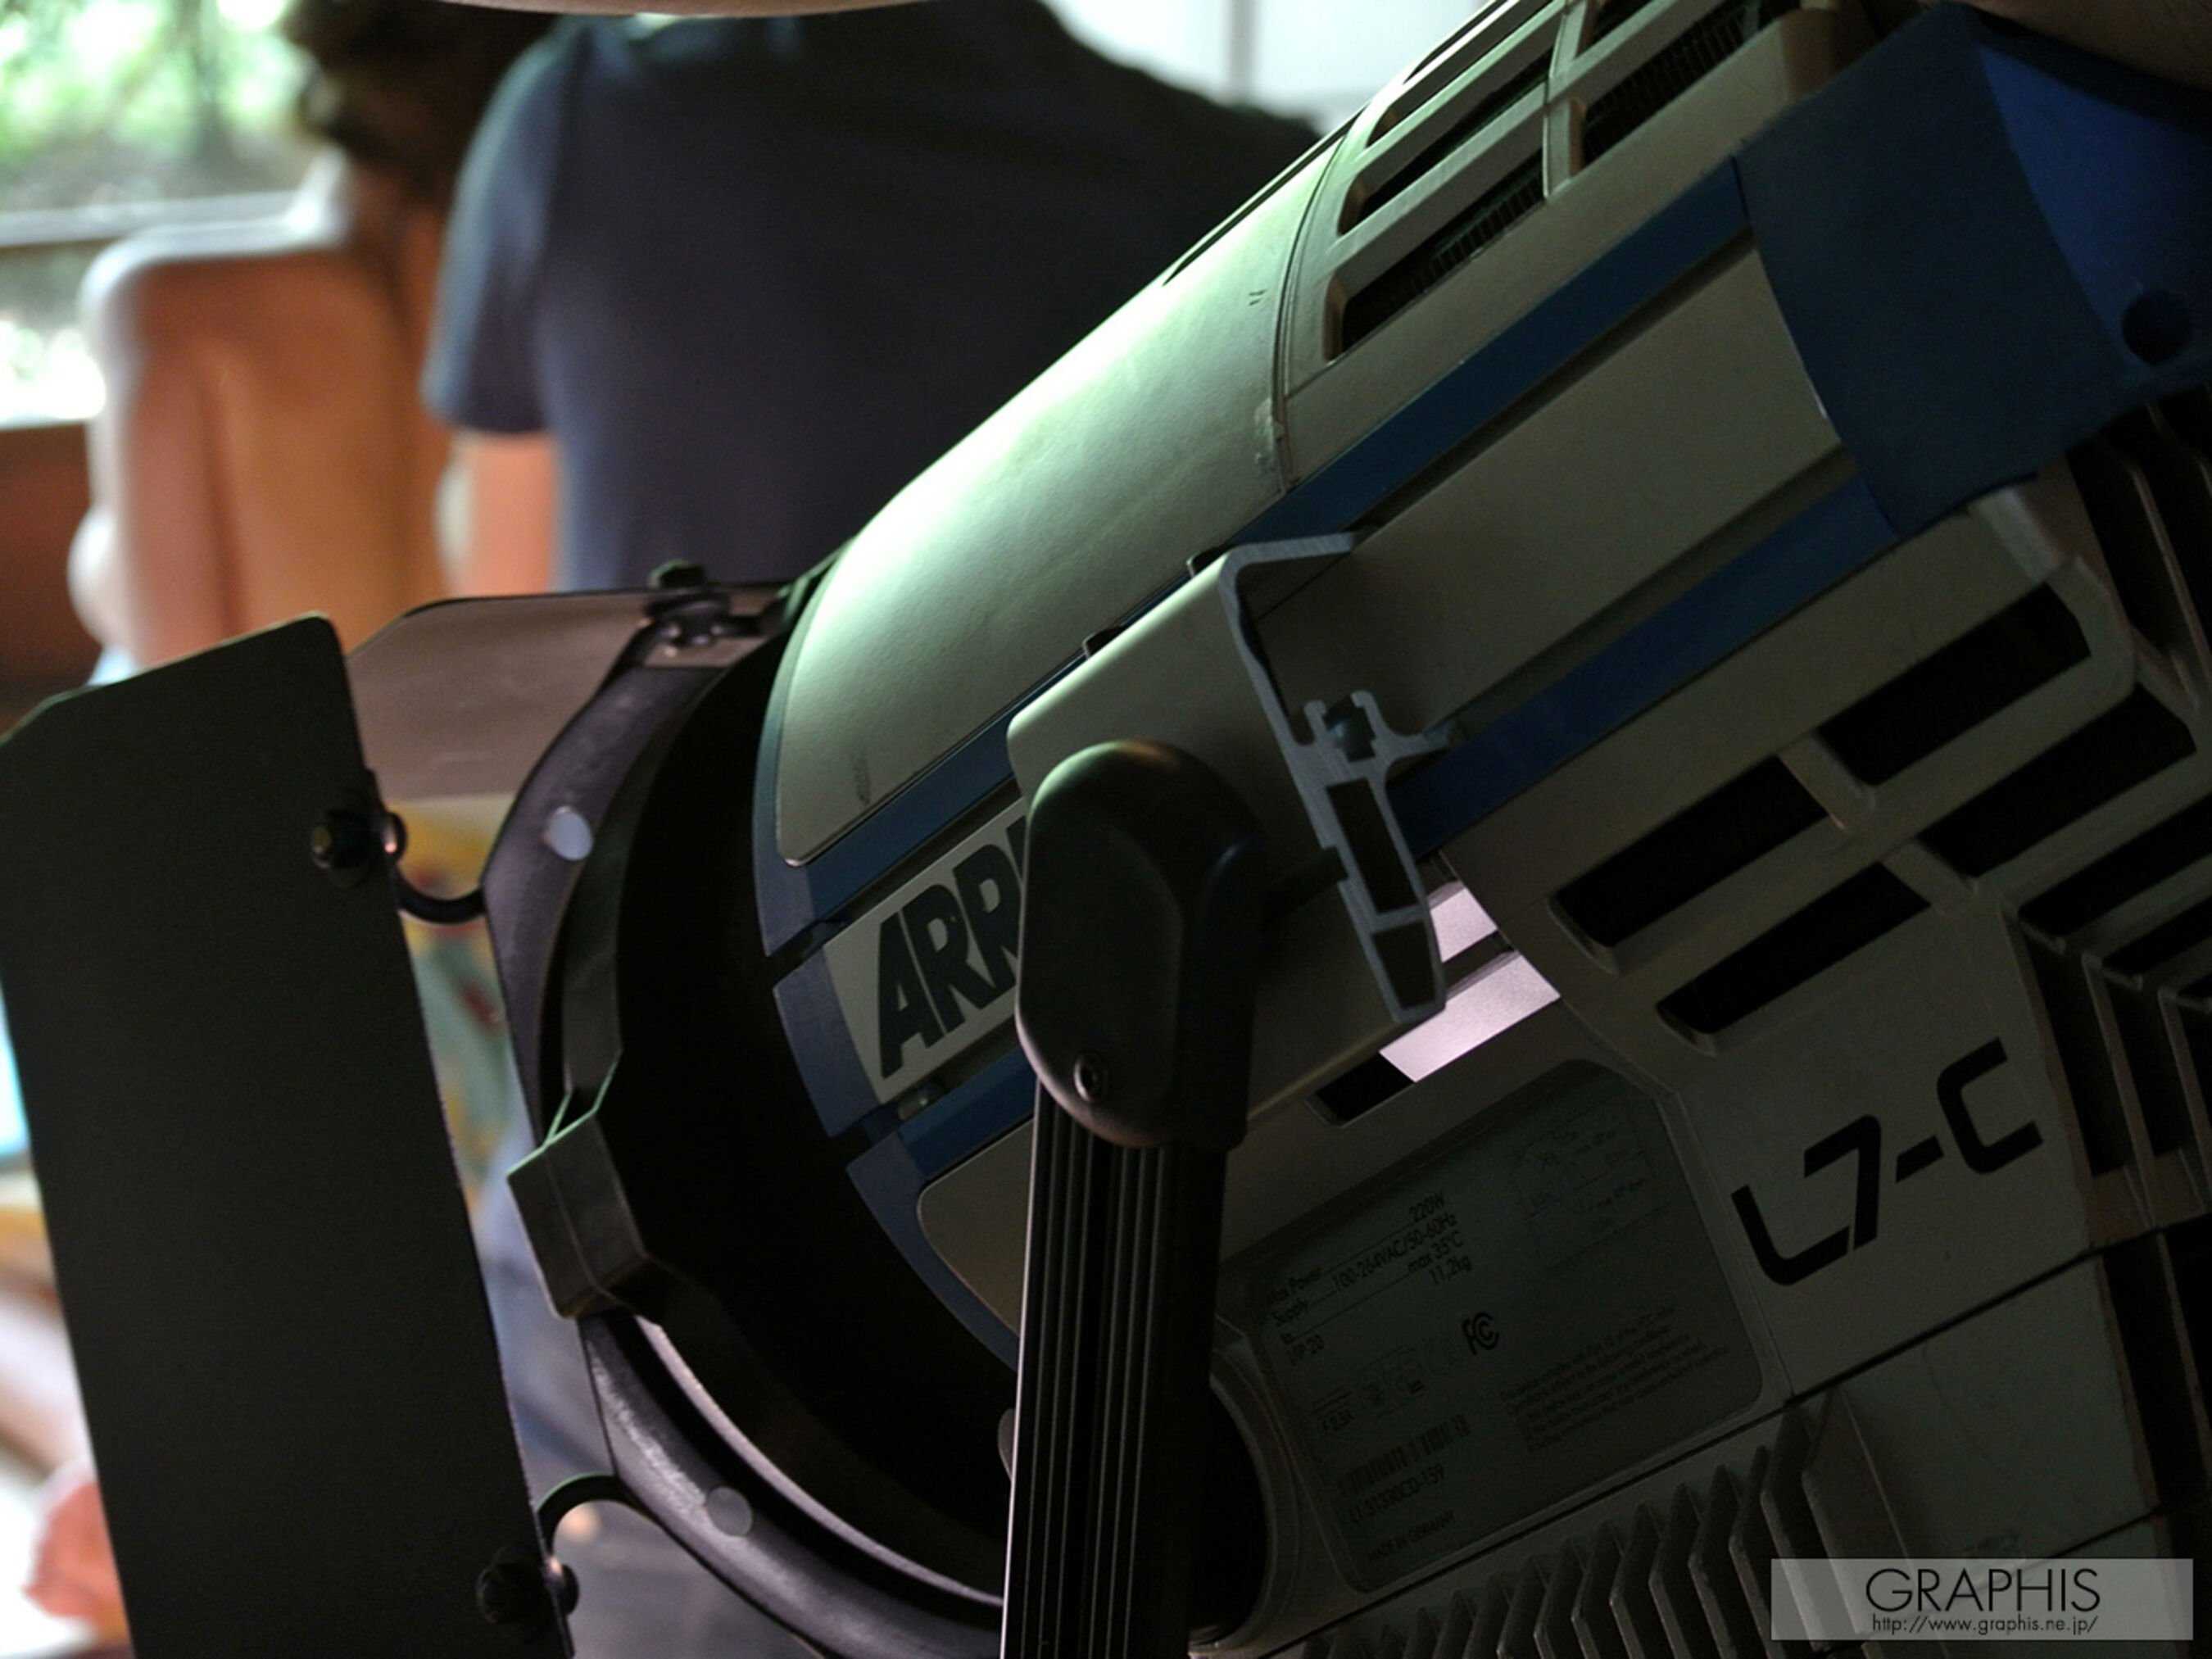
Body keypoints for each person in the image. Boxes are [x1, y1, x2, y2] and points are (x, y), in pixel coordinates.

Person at [423, 1, 1317, 594]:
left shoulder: (583, 120)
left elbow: (509, 605)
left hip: (675, 814)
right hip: (1066, 805)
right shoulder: (1258, 180)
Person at [67, 0, 551, 671]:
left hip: (259, 737)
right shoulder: (573, 296)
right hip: (509, 733)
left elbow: (176, 685)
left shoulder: (168, 304)